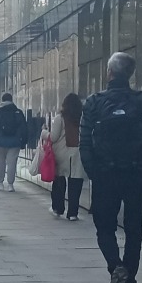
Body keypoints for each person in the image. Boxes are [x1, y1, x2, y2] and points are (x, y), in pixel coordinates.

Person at [80, 52, 142, 283]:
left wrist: (94, 171)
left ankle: (115, 267)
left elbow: (84, 141)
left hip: (105, 175)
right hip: (136, 173)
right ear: (130, 74)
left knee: (104, 227)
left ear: (109, 73)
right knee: (133, 228)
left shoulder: (94, 102)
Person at [45, 92, 86, 220]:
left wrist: (44, 133)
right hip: (78, 154)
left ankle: (58, 208)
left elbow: (53, 137)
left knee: (59, 181)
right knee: (75, 183)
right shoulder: (83, 117)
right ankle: (73, 213)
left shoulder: (60, 118)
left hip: (62, 154)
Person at [0, 92, 27, 190]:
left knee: (0, 163)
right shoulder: (18, 112)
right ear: (11, 100)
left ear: (2, 100)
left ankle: (0, 183)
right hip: (14, 142)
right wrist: (23, 142)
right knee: (12, 164)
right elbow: (24, 128)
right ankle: (10, 185)